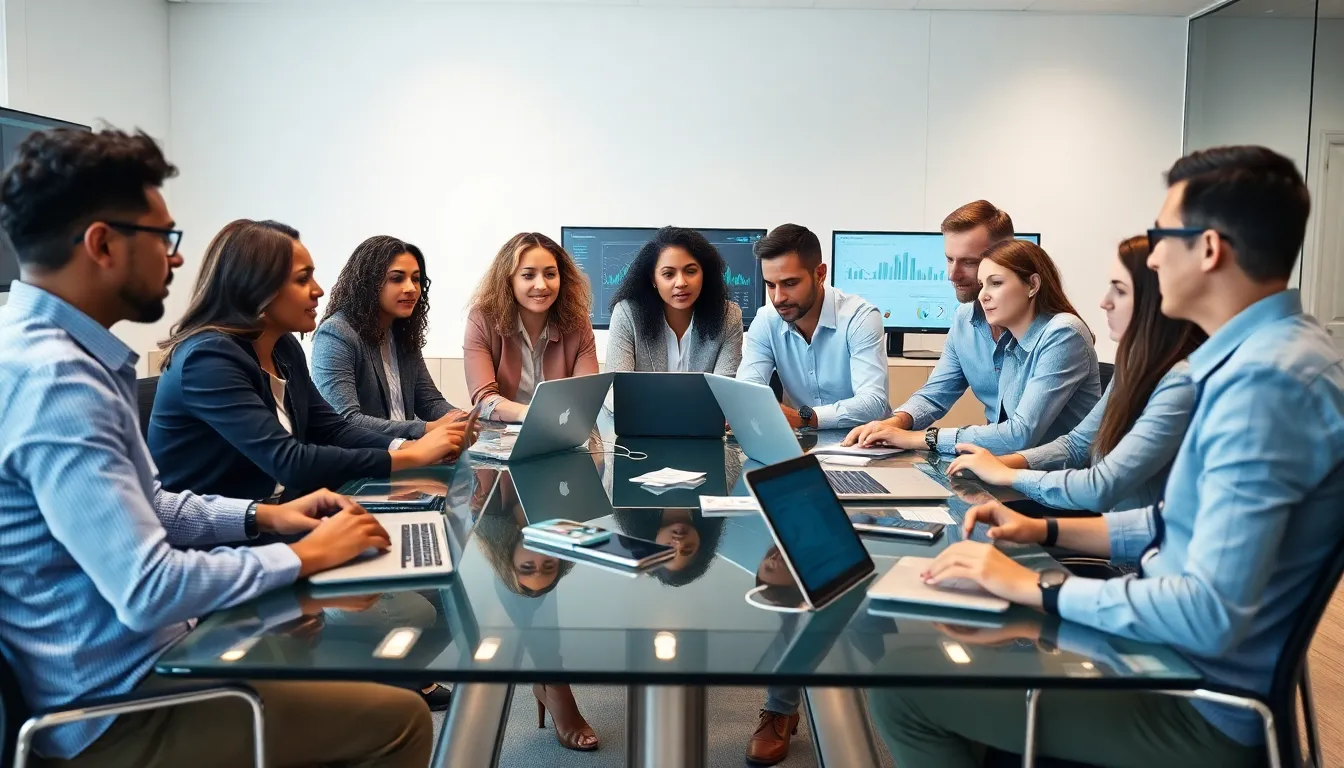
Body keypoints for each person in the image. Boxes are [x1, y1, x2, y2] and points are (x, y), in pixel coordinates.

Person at [867, 145, 1344, 767]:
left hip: (1191, 700)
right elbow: (1171, 521)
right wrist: (1045, 529)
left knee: (903, 692)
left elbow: (1207, 613)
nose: (1153, 254)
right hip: (1173, 657)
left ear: (1208, 249)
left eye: (1161, 234)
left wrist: (1040, 586)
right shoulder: (1270, 356)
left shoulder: (1264, 385)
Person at [0, 127, 431, 767]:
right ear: (102, 244)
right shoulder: (59, 383)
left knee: (329, 641)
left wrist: (261, 517)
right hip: (119, 707)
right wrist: (302, 558)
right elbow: (148, 588)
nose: (177, 260)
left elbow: (150, 504)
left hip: (158, 657)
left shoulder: (61, 355)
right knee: (401, 721)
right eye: (164, 239)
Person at [151, 220, 467, 502]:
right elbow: (291, 462)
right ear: (257, 287)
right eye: (303, 280)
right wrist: (411, 456)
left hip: (283, 515)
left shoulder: (285, 348)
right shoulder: (207, 359)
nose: (318, 291)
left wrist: (410, 448)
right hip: (222, 542)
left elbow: (334, 430)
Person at [946, 235, 1205, 513]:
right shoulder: (1135, 366)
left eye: (1119, 290)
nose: (1104, 302)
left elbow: (1101, 487)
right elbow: (1077, 444)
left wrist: (1008, 474)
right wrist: (998, 465)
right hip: (1110, 526)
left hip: (1113, 531)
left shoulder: (1178, 380)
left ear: (1157, 297)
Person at [845, 240, 1101, 455]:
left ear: (1033, 285)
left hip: (1058, 485)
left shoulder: (1064, 333)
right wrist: (892, 426)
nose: (983, 295)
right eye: (982, 284)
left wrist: (917, 439)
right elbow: (936, 394)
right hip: (1006, 470)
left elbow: (1018, 435)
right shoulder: (1009, 338)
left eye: (996, 283)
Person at [474, 472, 600, 752]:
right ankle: (553, 683)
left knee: (532, 591)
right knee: (531, 592)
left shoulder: (487, 503)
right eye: (543, 565)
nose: (538, 560)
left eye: (530, 566)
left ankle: (551, 682)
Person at [736, 223, 889, 431]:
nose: (778, 298)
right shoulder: (766, 321)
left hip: (864, 442)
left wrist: (805, 418)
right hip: (804, 443)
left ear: (820, 274)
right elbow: (747, 389)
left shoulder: (860, 317)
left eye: (790, 283)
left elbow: (873, 403)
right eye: (771, 285)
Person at [312, 235, 466, 439]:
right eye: (397, 278)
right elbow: (345, 420)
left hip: (409, 456)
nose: (411, 288)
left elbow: (429, 402)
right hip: (365, 463)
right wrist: (426, 429)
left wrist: (465, 420)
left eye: (416, 279)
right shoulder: (336, 334)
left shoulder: (402, 333)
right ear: (368, 283)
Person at [464, 232, 598, 423]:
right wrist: (532, 415)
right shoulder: (482, 318)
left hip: (560, 433)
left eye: (550, 274)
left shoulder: (578, 321)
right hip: (499, 437)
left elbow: (586, 394)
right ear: (508, 280)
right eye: (528, 275)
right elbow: (483, 401)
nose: (541, 285)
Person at [606, 226, 743, 375]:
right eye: (668, 274)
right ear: (653, 279)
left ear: (705, 273)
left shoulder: (728, 316)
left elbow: (725, 392)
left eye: (690, 271)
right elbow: (617, 387)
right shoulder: (627, 315)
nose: (681, 283)